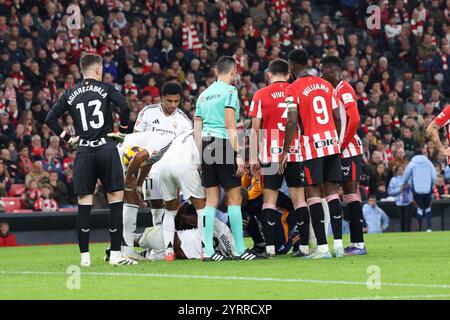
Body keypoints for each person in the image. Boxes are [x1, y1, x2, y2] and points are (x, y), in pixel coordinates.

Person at [45, 53, 135, 267]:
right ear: (97, 70)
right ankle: (115, 254)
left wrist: (69, 139)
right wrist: (121, 130)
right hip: (106, 148)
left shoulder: (70, 92)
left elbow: (50, 119)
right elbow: (125, 107)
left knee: (84, 204)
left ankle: (84, 257)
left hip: (84, 151)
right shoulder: (105, 89)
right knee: (115, 201)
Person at [281, 49, 342, 259]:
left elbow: (290, 121)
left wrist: (285, 151)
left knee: (314, 194)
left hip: (312, 146)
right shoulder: (326, 85)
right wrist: (337, 140)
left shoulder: (292, 88)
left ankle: (323, 248)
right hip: (332, 142)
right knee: (332, 192)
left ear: (291, 65)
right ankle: (340, 246)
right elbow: (338, 116)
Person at [194, 56, 257, 261]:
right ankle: (239, 249)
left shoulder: (203, 95)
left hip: (205, 145)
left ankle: (209, 251)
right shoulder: (230, 91)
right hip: (222, 143)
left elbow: (197, 127)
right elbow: (230, 123)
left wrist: (198, 155)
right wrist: (238, 155)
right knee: (234, 197)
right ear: (234, 72)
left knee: (211, 200)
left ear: (215, 72)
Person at [126, 82, 192, 260]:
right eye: (169, 101)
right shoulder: (148, 113)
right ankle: (157, 239)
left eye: (176, 101)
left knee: (170, 205)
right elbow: (136, 139)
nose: (172, 105)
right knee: (155, 203)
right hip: (149, 167)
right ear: (161, 98)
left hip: (171, 168)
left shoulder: (184, 122)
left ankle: (163, 243)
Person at [249, 58, 307, 257]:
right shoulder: (296, 91)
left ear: (268, 74)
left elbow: (255, 129)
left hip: (270, 152)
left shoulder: (260, 94)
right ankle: (305, 246)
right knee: (299, 200)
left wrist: (252, 158)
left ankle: (270, 248)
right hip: (294, 151)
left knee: (269, 201)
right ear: (289, 74)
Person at [320, 55, 367, 256]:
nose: (321, 74)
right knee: (344, 193)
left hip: (348, 150)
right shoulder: (335, 90)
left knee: (350, 193)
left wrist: (342, 144)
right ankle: (353, 242)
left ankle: (358, 244)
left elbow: (354, 118)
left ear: (331, 70)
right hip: (339, 148)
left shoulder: (344, 88)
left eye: (323, 70)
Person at [155, 130, 206, 261]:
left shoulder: (184, 133)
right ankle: (205, 249)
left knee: (170, 211)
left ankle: (169, 252)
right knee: (202, 209)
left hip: (163, 166)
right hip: (185, 165)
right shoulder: (207, 132)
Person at [402, 154, 437, 232]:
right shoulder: (429, 163)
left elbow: (406, 175)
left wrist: (405, 182)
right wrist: (432, 185)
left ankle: (419, 228)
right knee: (428, 208)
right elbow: (434, 177)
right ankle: (429, 228)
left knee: (419, 208)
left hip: (417, 189)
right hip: (428, 189)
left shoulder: (412, 163)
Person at [388, 165, 414, 232]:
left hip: (409, 201)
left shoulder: (409, 178)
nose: (401, 171)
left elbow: (413, 187)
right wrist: (400, 189)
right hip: (399, 201)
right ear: (396, 172)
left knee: (408, 218)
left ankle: (408, 231)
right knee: (401, 219)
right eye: (399, 170)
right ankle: (403, 231)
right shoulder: (393, 180)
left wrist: (409, 186)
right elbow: (390, 192)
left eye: (402, 170)